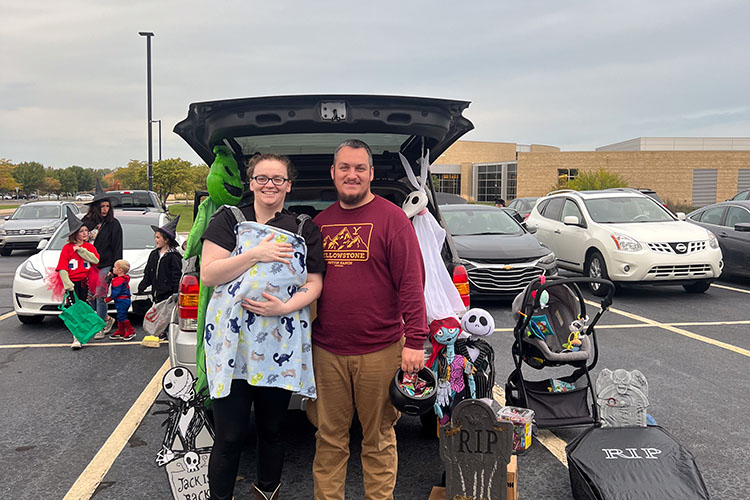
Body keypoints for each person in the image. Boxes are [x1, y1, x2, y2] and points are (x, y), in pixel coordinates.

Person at [307, 139, 428, 500]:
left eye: (360, 168)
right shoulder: (320, 224)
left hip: (381, 350)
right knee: (329, 439)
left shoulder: (393, 220)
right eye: (344, 167)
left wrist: (417, 342)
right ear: (333, 173)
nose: (352, 175)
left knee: (378, 440)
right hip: (326, 352)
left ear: (371, 174)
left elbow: (411, 284)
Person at [200, 153, 325, 500]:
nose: (269, 185)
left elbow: (313, 283)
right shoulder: (229, 220)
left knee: (272, 430)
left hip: (279, 343)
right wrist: (254, 254)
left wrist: (284, 306)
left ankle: (266, 492)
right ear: (250, 182)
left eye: (277, 179)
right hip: (232, 345)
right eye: (262, 178)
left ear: (288, 185)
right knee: (229, 435)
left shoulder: (303, 227)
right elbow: (209, 273)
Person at [82, 181, 123, 339]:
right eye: (102, 206)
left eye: (107, 206)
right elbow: (77, 240)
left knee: (100, 295)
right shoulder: (86, 223)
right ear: (96, 207)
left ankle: (99, 327)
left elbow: (117, 246)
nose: (105, 209)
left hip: (105, 265)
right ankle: (106, 319)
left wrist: (116, 268)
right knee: (90, 297)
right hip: (87, 265)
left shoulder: (114, 224)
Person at [56, 206, 100, 350]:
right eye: (81, 231)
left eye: (86, 231)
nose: (85, 233)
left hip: (85, 282)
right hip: (72, 283)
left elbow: (95, 260)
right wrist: (68, 284)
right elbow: (62, 267)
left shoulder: (89, 247)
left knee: (84, 307)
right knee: (74, 309)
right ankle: (77, 336)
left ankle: (84, 333)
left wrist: (81, 250)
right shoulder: (67, 248)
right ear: (75, 234)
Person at [137, 216, 183, 338]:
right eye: (155, 237)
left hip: (168, 293)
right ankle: (161, 332)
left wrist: (175, 291)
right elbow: (149, 272)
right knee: (159, 313)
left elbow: (176, 275)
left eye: (158, 237)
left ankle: (168, 332)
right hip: (157, 292)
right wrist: (143, 285)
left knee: (167, 314)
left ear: (166, 240)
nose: (156, 240)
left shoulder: (174, 256)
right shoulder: (154, 254)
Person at [105, 259, 135, 341]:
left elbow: (116, 292)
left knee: (122, 316)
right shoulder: (123, 279)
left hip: (122, 301)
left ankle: (130, 331)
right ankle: (121, 331)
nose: (113, 269)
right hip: (123, 300)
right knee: (120, 316)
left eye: (114, 267)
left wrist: (108, 299)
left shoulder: (119, 281)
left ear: (120, 270)